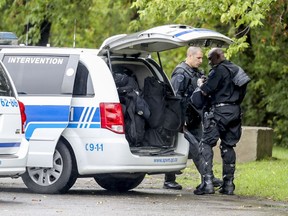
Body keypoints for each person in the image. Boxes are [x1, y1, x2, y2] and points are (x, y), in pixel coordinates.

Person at [163, 46, 222, 190]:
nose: (201, 61)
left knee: (202, 147)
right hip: (182, 117)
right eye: (198, 58)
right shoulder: (180, 73)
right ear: (190, 56)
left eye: (202, 58)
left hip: (195, 116)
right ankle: (169, 179)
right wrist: (179, 119)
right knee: (176, 146)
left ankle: (208, 176)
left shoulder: (197, 72)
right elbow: (175, 98)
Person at [194, 48, 250, 195]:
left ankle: (207, 184)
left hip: (219, 112)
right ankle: (228, 185)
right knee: (228, 146)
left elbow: (206, 90)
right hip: (235, 112)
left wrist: (200, 83)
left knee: (205, 143)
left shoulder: (219, 70)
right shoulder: (237, 70)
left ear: (218, 57)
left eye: (210, 59)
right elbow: (243, 90)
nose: (209, 62)